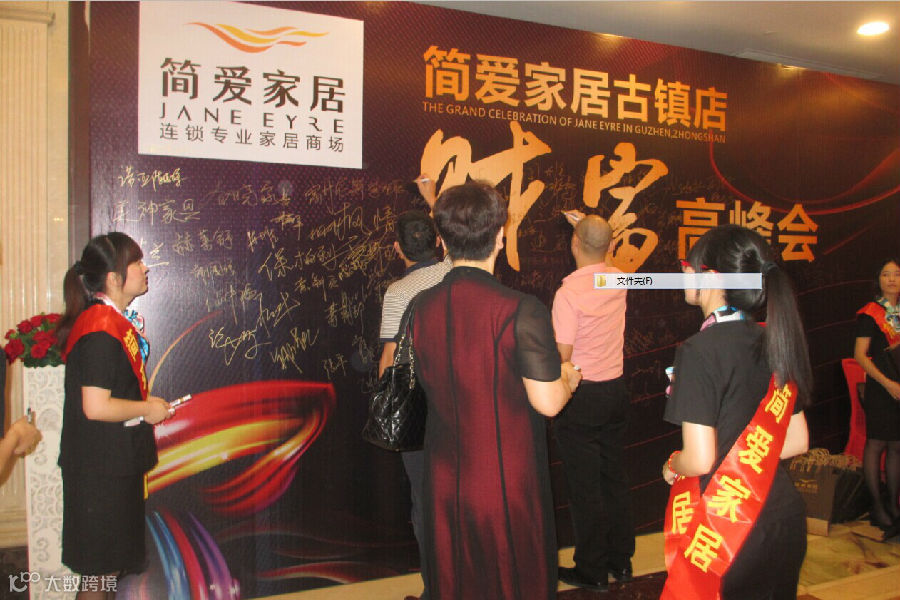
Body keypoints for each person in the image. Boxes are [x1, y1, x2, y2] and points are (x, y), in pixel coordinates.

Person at [409, 181, 582, 599]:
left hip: (443, 476)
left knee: (456, 582)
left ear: (442, 240)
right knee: (511, 581)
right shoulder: (521, 309)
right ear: (501, 236)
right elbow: (548, 401)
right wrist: (569, 376)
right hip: (505, 478)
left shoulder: (419, 306)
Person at [661, 225, 811, 599]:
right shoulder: (774, 338)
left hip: (729, 527)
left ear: (712, 278)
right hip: (783, 516)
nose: (683, 272)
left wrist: (673, 465)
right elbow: (796, 440)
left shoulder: (698, 350)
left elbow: (699, 459)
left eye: (688, 265)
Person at [55, 232, 172, 600]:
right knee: (99, 574)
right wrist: (147, 409)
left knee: (106, 571)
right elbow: (96, 406)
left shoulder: (110, 323)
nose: (145, 268)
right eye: (136, 262)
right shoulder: (100, 330)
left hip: (110, 465)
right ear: (113, 277)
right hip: (100, 472)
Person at [551, 211, 634, 592]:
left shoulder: (568, 294)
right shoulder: (619, 280)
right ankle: (621, 562)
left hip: (582, 395)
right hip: (615, 391)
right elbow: (602, 253)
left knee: (585, 488)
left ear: (573, 244)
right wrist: (589, 228)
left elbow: (563, 357)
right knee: (613, 478)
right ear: (611, 246)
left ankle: (592, 570)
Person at [377, 205, 451, 600]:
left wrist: (384, 405)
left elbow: (390, 360)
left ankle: (435, 591)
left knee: (426, 503)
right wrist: (432, 200)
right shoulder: (454, 272)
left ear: (396, 248)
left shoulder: (399, 292)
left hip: (419, 412)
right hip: (460, 407)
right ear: (438, 240)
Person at [853, 258, 900, 535]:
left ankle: (893, 504)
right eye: (886, 274)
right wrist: (888, 383)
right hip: (881, 388)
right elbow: (860, 355)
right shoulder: (871, 313)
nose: (892, 279)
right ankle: (877, 506)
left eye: (897, 274)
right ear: (878, 279)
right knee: (877, 444)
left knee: (897, 446)